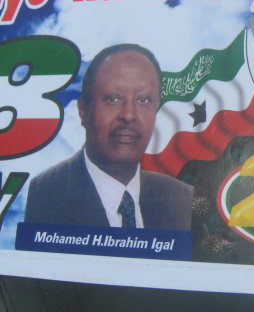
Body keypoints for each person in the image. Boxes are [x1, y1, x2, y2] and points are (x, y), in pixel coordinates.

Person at [25, 44, 193, 230]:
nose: (128, 115)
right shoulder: (46, 194)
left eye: (143, 100)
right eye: (113, 99)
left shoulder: (179, 198)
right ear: (83, 111)